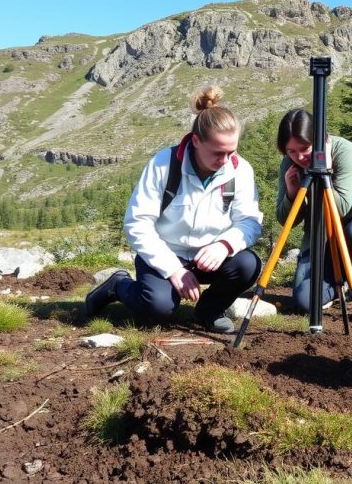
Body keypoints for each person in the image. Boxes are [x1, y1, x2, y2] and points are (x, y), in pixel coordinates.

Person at [85, 86, 263, 333]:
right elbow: (137, 223)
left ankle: (209, 310)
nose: (225, 161)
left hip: (211, 257)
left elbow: (250, 222)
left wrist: (224, 245)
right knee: (158, 308)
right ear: (196, 141)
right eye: (218, 153)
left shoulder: (240, 169)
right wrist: (173, 269)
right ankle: (118, 285)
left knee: (248, 264)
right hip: (165, 253)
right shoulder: (163, 164)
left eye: (231, 151)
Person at [276, 108, 352, 323]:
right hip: (324, 234)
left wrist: (327, 173)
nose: (300, 157)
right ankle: (339, 280)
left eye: (305, 148)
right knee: (306, 302)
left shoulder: (346, 153)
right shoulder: (290, 164)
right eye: (291, 151)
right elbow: (285, 220)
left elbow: (340, 208)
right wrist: (292, 193)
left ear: (320, 139)